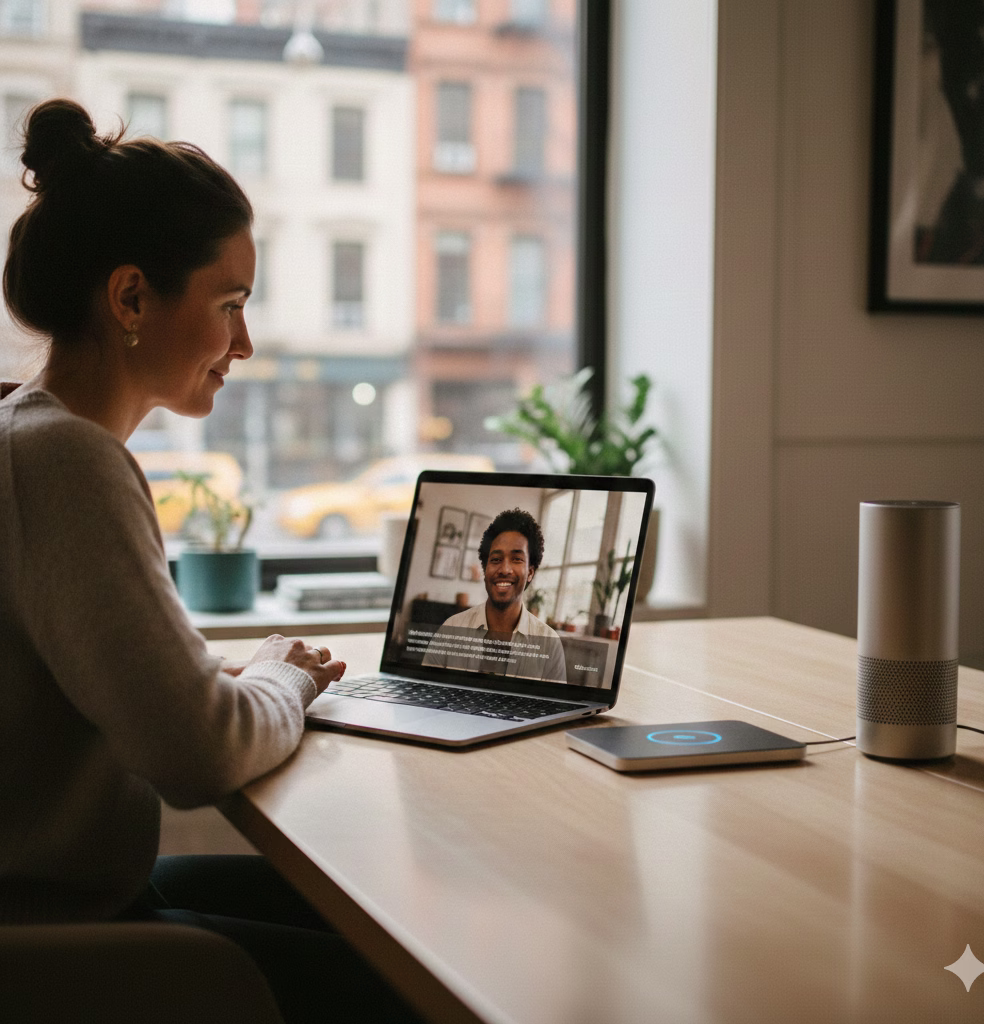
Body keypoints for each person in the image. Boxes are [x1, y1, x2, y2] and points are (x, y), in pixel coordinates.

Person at [0, 99, 422, 1024]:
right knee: (408, 980)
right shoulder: (65, 460)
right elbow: (196, 752)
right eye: (229, 305)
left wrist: (226, 677)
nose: (245, 344)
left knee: (377, 917)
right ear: (131, 299)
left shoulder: (26, 434)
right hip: (58, 937)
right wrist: (281, 679)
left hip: (64, 903)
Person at [422, 508, 566, 683]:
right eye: (496, 560)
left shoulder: (549, 644)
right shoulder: (451, 628)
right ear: (485, 570)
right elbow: (427, 690)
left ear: (530, 572)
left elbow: (555, 708)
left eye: (516, 559)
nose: (504, 569)